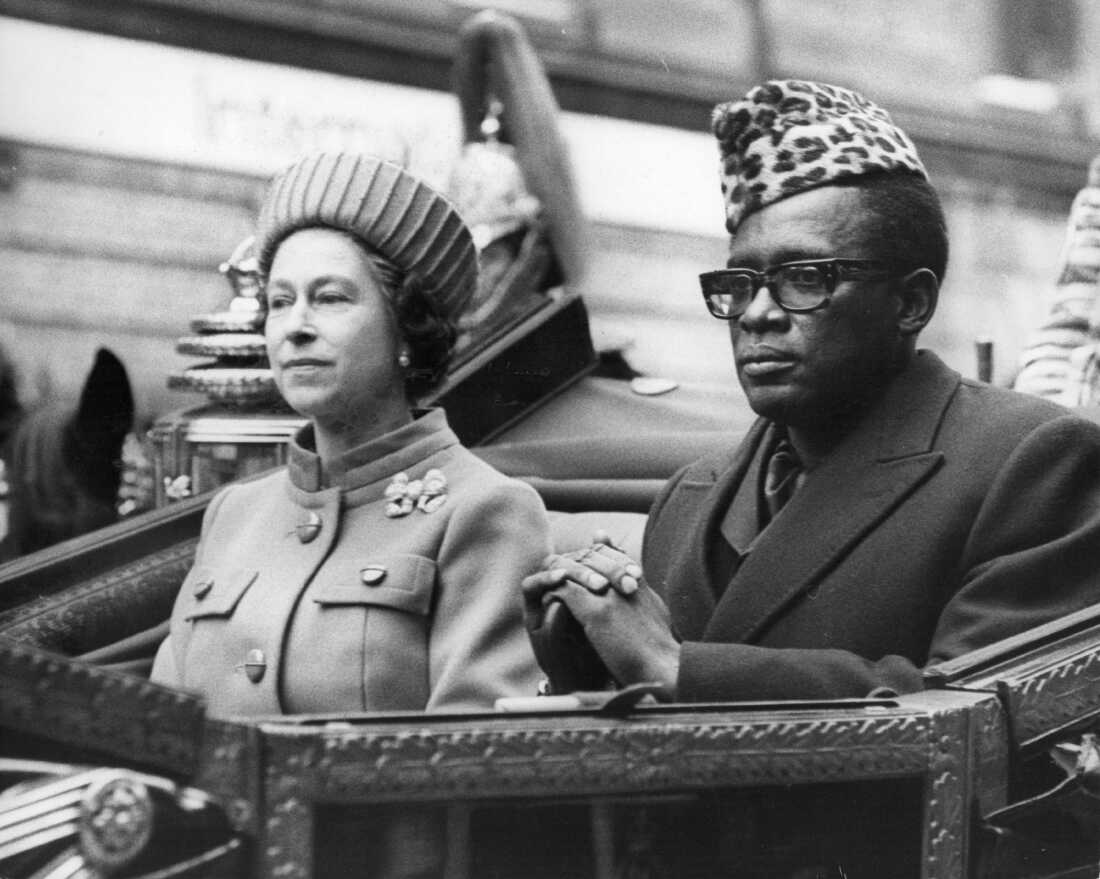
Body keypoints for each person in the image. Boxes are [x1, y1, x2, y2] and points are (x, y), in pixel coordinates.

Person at [523, 80, 1100, 704]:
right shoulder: (691, 496)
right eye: (739, 282)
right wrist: (588, 665)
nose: (757, 314)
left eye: (804, 278)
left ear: (912, 302)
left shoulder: (1034, 460)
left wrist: (672, 667)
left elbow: (987, 716)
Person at [152, 152, 547, 718]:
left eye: (330, 298)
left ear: (406, 327)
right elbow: (160, 724)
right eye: (280, 302)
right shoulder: (234, 513)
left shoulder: (485, 511)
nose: (296, 327)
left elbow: (469, 759)